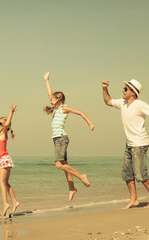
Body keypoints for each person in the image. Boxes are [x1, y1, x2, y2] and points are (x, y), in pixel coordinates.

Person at [102, 79, 149, 209]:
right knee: (127, 173)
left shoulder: (140, 104)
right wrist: (104, 88)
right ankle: (134, 199)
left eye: (126, 89)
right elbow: (108, 101)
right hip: (129, 144)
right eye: (124, 89)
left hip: (140, 144)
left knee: (140, 173)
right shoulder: (122, 103)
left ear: (133, 92)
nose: (123, 90)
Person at [43, 72, 94, 202]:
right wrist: (47, 80)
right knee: (65, 165)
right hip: (57, 139)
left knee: (58, 165)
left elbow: (81, 112)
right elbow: (50, 93)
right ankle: (71, 188)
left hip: (61, 138)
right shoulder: (55, 109)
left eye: (53, 99)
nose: (50, 99)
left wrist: (90, 123)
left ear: (58, 99)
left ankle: (81, 176)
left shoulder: (64, 108)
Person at [0, 104, 20, 217]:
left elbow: (7, 123)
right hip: (5, 160)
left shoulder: (3, 133)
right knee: (6, 183)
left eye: (0, 123)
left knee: (1, 184)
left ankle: (5, 204)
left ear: (5, 126)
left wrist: (11, 112)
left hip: (4, 159)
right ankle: (15, 201)